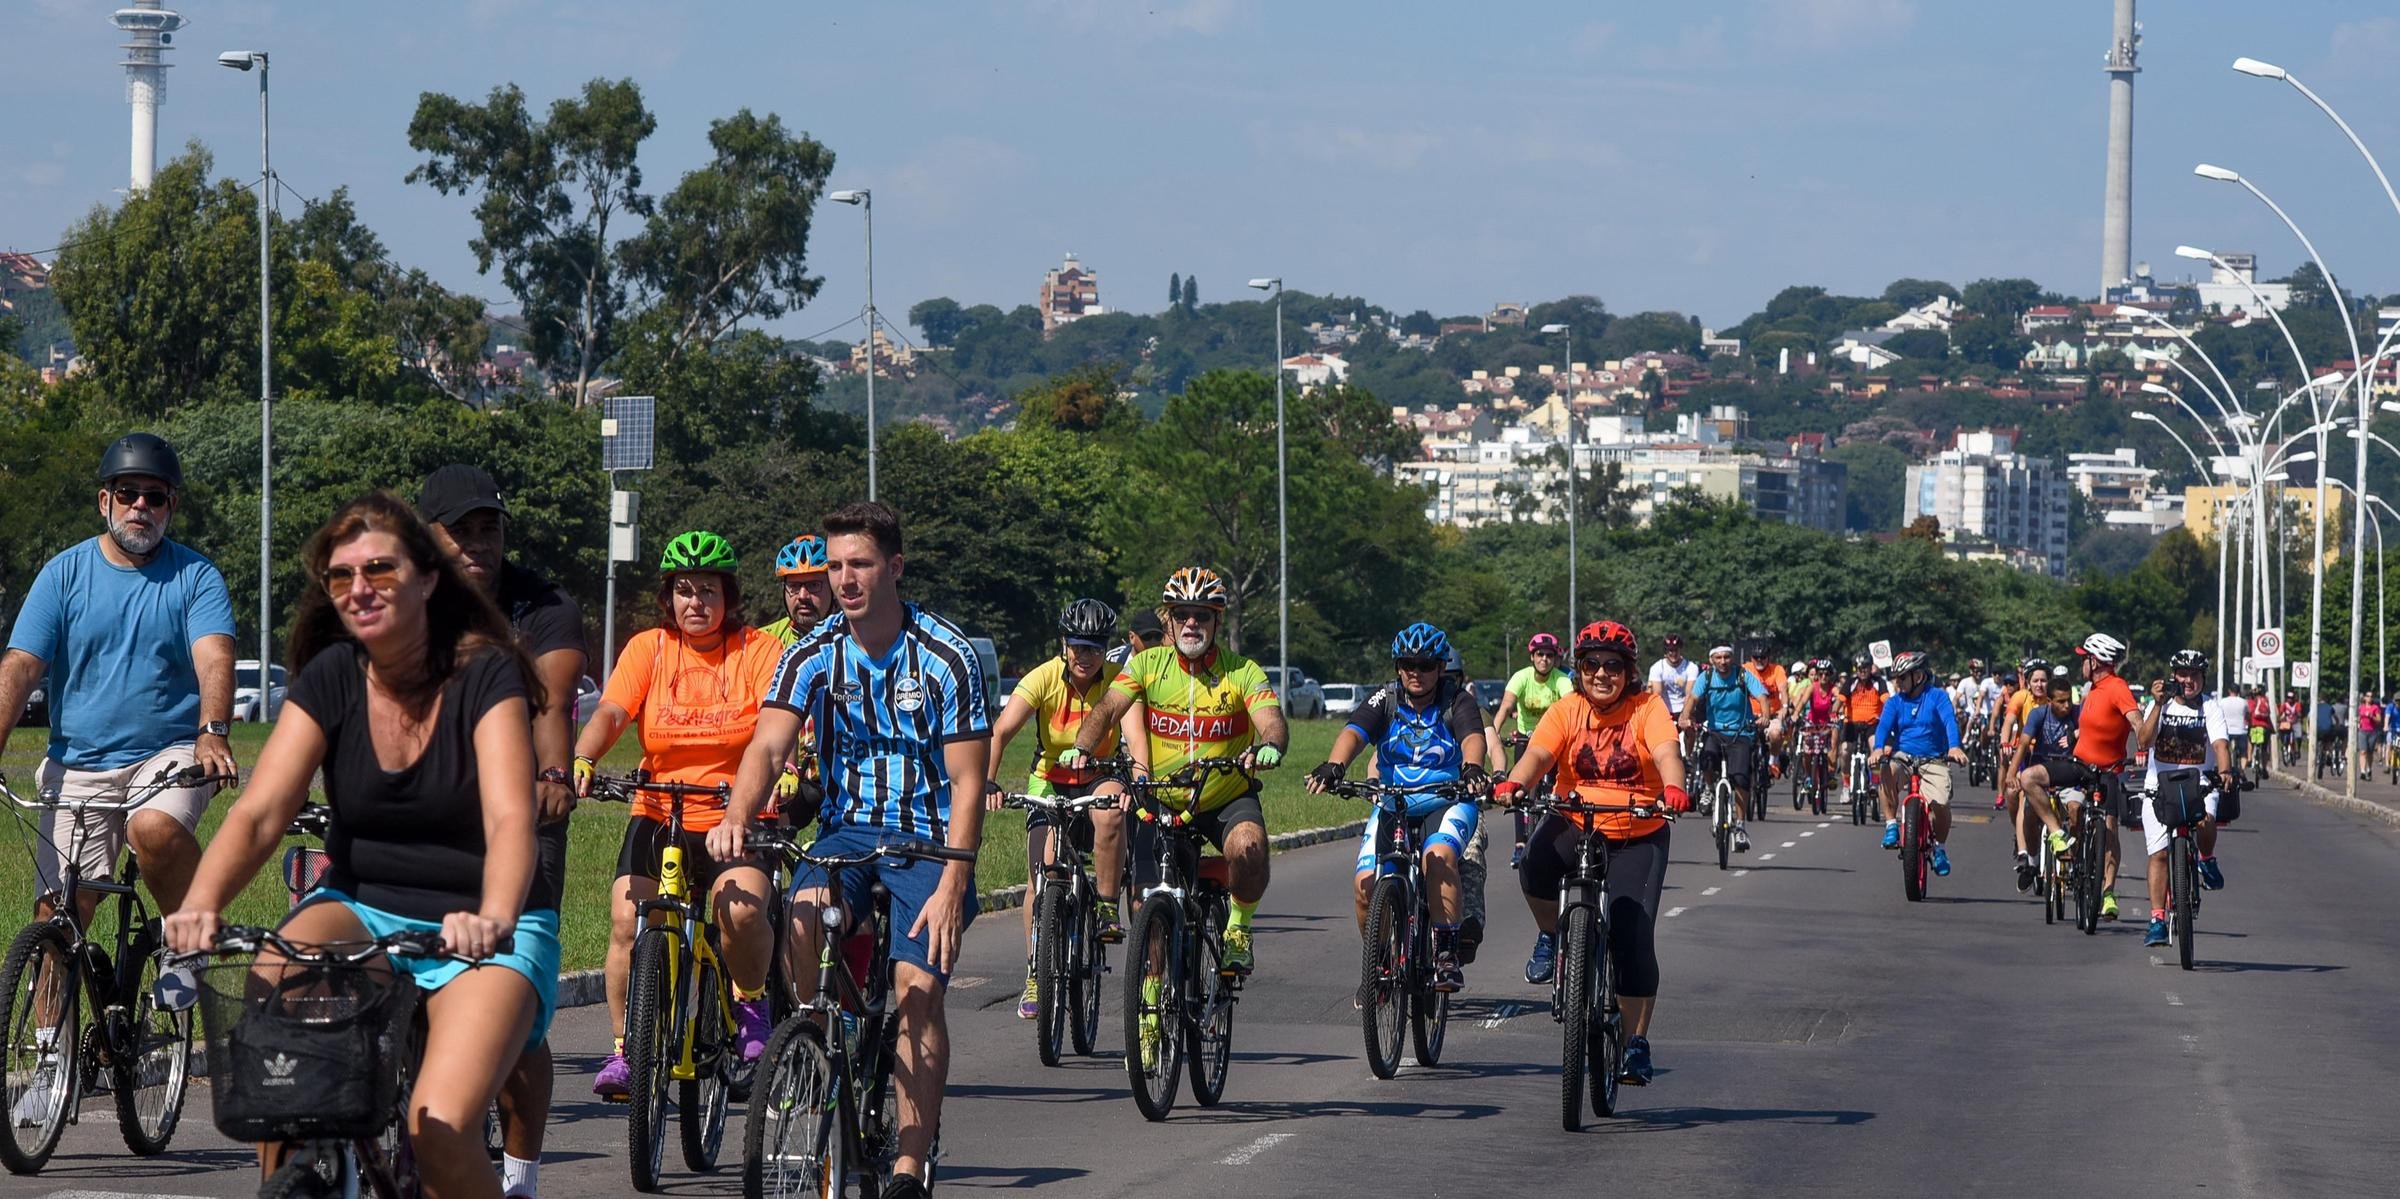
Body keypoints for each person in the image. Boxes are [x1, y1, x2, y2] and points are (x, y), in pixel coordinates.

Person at [164, 493, 547, 1199]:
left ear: (428, 578)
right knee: (277, 1036)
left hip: (486, 923)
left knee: (439, 1130)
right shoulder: (334, 676)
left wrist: (492, 912)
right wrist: (200, 903)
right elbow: (259, 813)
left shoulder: (483, 673)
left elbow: (509, 817)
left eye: (380, 568)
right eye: (342, 576)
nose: (359, 588)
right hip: (362, 908)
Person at [710, 501, 990, 1199]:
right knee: (800, 916)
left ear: (894, 566)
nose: (843, 579)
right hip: (846, 832)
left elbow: (968, 780)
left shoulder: (946, 655)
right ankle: (821, 1041)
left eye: (859, 563)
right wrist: (737, 815)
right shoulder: (814, 651)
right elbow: (769, 745)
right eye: (834, 566)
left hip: (928, 841)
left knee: (917, 993)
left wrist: (955, 882)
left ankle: (908, 1162)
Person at [0, 434, 238, 1126]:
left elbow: (215, 657)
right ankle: (49, 1067)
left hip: (166, 753)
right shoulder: (64, 574)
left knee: (154, 827)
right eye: (127, 494)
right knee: (57, 919)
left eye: (155, 496)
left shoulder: (195, 578)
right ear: (104, 500)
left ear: (171, 506)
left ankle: (184, 938)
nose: (141, 506)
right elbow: (19, 667)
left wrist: (213, 730)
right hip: (78, 762)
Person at [418, 465, 586, 1199]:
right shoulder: (399, 602)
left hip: (520, 810)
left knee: (513, 1016)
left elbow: (550, 701)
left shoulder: (541, 604)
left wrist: (554, 775)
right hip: (423, 814)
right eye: (461, 531)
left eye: (490, 528)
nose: (479, 544)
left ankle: (519, 1180)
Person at [573, 531, 785, 1099]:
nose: (697, 602)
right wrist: (583, 756)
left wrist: (784, 770)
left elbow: (776, 729)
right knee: (627, 920)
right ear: (669, 598)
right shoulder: (649, 648)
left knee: (737, 914)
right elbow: (614, 711)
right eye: (685, 591)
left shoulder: (758, 650)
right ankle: (623, 1049)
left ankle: (750, 1004)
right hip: (659, 809)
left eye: (709, 591)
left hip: (735, 813)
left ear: (729, 596)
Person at [1059, 566, 1286, 981]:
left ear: (1218, 619)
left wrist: (1269, 744)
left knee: (1249, 847)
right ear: (1170, 619)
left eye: (1202, 615)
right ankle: (1149, 1002)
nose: (1192, 623)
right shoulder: (1147, 665)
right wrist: (1083, 746)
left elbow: (1270, 719)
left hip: (1223, 796)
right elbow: (1107, 708)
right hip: (1161, 796)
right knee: (1145, 905)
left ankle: (1238, 926)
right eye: (1182, 614)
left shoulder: (1242, 671)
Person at [1495, 620, 1686, 1085]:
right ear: (1578, 669)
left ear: (1629, 671)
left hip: (1638, 831)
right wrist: (1516, 783)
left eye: (1613, 666)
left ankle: (1636, 1041)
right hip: (1575, 820)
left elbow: (1665, 752)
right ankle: (1553, 937)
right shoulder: (1566, 709)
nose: (1602, 674)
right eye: (1591, 664)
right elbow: (1538, 755)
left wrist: (1676, 786)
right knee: (1534, 866)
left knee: (1632, 934)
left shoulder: (1648, 708)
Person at [1309, 622, 1486, 992]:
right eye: (1408, 665)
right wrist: (1334, 766)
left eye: (1425, 665)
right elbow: (1354, 732)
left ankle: (1447, 954)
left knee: (1437, 857)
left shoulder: (1457, 700)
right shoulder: (1385, 699)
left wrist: (1471, 768)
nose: (1415, 673)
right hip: (1393, 802)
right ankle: (1382, 962)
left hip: (1447, 799)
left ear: (1440, 667)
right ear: (1398, 667)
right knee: (1364, 885)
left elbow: (1472, 736)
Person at [986, 598, 1133, 1019]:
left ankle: (1106, 906)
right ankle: (1036, 970)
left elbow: (1136, 737)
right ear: (1063, 644)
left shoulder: (1118, 681)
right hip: (1050, 780)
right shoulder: (1044, 677)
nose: (1084, 656)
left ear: (1106, 648)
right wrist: (991, 780)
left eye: (1093, 648)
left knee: (1110, 814)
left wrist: (1135, 780)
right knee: (1042, 871)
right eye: (1076, 646)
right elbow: (1001, 732)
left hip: (1099, 774)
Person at [2136, 650, 2231, 948]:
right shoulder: (2159, 705)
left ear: (2203, 678)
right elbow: (2144, 740)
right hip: (2159, 785)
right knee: (2159, 855)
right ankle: (2156, 920)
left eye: (2194, 674)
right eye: (2182, 674)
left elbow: (2219, 744)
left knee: (2206, 821)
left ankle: (2206, 858)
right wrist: (2157, 705)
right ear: (2173, 676)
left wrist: (2225, 771)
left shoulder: (2210, 708)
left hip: (2197, 782)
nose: (2188, 680)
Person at [2047, 633, 2140, 921]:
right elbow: (2089, 726)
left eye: (2084, 658)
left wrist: (2145, 745)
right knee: (2037, 784)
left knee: (2109, 828)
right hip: (2080, 766)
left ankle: (2108, 892)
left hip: (2109, 771)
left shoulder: (2117, 687)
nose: (2081, 663)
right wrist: (2070, 738)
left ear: (2095, 660)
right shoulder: (2091, 689)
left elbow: (2135, 720)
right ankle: (2059, 837)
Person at [1868, 650, 1967, 875]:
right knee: (1885, 770)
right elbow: (1883, 726)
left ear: (1919, 676)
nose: (1897, 682)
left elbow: (1949, 721)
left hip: (1934, 758)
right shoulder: (1894, 702)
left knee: (1940, 804)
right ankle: (1892, 824)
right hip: (1903, 757)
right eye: (1896, 677)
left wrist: (1954, 746)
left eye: (1902, 677)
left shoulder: (1937, 697)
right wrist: (1877, 748)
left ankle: (1940, 849)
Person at [1491, 632, 1572, 866]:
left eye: (1549, 655)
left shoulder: (1561, 680)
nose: (1544, 659)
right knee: (1518, 788)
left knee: (1558, 790)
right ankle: (1520, 843)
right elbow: (1506, 706)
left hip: (1554, 741)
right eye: (1540, 655)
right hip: (1526, 741)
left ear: (1555, 658)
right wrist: (1493, 733)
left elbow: (1570, 707)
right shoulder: (1521, 677)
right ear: (1532, 657)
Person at [1683, 645, 1763, 852]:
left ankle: (1740, 827)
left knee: (1741, 778)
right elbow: (1693, 698)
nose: (1723, 661)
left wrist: (1765, 716)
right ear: (1712, 660)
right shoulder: (1707, 677)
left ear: (1732, 658)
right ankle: (1710, 790)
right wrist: (1685, 717)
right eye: (1718, 657)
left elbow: (1761, 696)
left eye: (1727, 657)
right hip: (1716, 731)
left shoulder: (1742, 675)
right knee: (1707, 760)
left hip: (1740, 732)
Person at [2013, 663, 2083, 863]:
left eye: (2069, 700)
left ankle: (2075, 858)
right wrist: (2010, 774)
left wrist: (2078, 732)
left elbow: (2095, 726)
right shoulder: (2039, 714)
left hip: (2070, 773)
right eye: (2061, 702)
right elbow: (2024, 744)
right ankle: (2034, 860)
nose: (2067, 706)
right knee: (2029, 815)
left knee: (2076, 810)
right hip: (2043, 772)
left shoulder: (2078, 713)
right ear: (2049, 701)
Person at [758, 534, 836, 646]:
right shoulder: (763, 642)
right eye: (794, 586)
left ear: (833, 587)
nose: (803, 596)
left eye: (814, 585)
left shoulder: (857, 636)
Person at [1837, 656, 1887, 792]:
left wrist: (1890, 716)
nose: (1862, 671)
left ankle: (1875, 782)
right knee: (1845, 751)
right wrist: (1834, 712)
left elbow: (1886, 701)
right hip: (1852, 724)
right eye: (1859, 668)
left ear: (1871, 668)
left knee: (1875, 747)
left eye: (1865, 667)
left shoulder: (1879, 682)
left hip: (1872, 723)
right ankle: (1846, 785)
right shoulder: (1850, 683)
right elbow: (1840, 700)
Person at [1646, 634, 1699, 723]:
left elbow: (1689, 695)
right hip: (1665, 709)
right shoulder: (1657, 667)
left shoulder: (1691, 667)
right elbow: (1657, 694)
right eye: (1670, 650)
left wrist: (1684, 716)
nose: (1673, 653)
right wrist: (1662, 716)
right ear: (1665, 652)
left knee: (1690, 728)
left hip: (1685, 708)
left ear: (1680, 650)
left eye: (1675, 650)